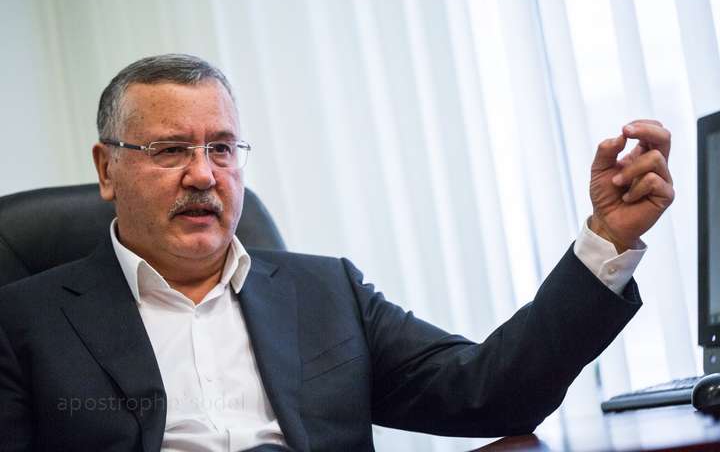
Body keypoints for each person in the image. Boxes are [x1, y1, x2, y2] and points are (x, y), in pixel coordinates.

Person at [0, 54, 674, 452]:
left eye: (222, 148)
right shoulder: (23, 321)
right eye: (171, 149)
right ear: (108, 169)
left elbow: (488, 392)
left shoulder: (327, 294)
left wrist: (607, 239)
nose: (203, 174)